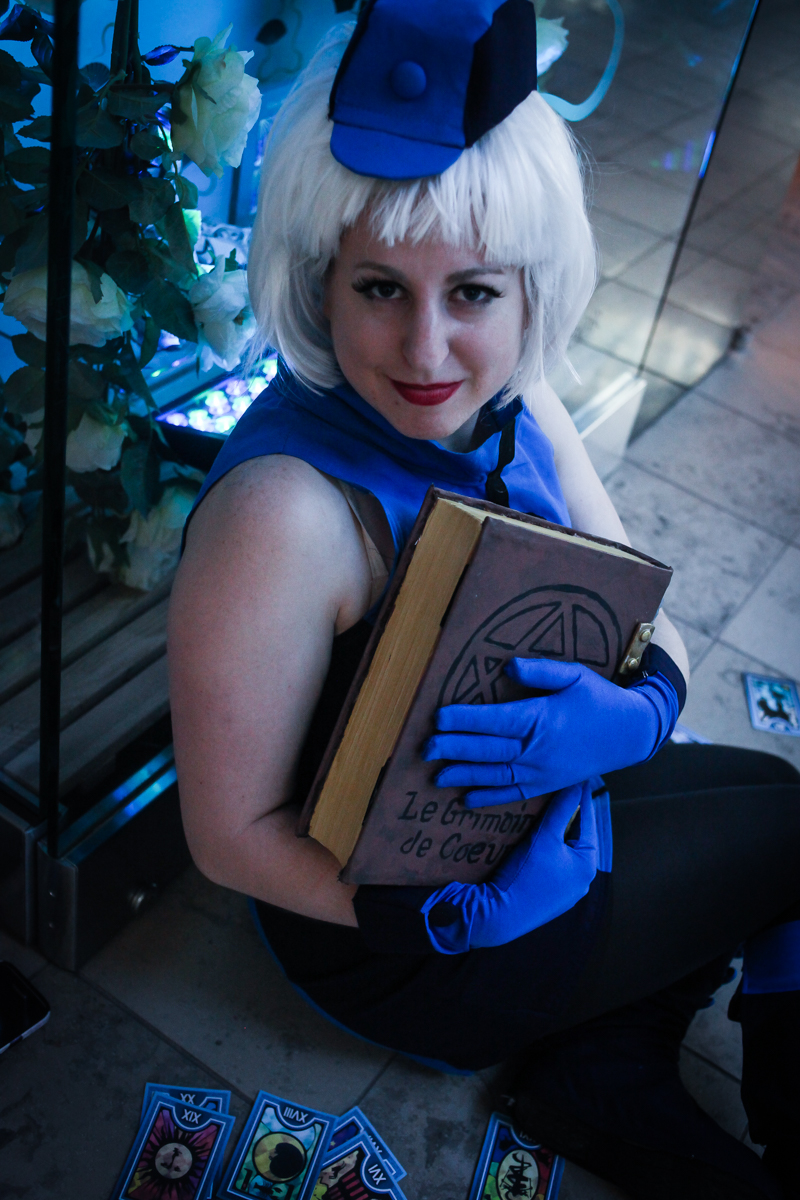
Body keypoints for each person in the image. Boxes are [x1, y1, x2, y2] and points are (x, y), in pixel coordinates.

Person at [167, 4, 800, 1197]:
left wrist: (642, 713)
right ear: (319, 279)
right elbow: (226, 839)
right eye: (378, 288)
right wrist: (454, 920)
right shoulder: (282, 516)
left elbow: (644, 618)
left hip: (531, 825)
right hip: (411, 945)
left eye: (470, 292)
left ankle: (610, 1064)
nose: (425, 353)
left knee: (769, 793)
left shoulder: (508, 390)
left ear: (525, 292)